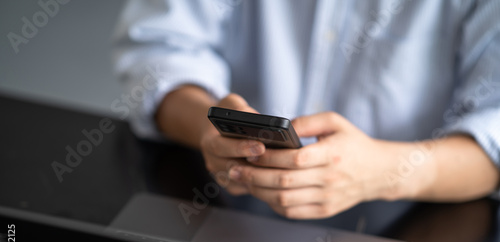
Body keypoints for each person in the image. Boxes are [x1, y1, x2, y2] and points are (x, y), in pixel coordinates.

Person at [112, 0, 500, 219]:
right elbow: (158, 50)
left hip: (416, 228)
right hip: (220, 205)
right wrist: (206, 126)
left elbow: (494, 133)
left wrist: (386, 173)